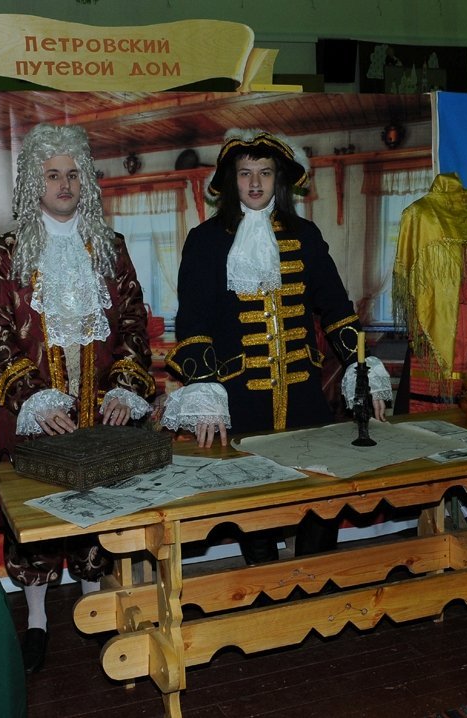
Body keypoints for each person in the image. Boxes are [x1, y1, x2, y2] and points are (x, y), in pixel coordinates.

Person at [163, 128, 392, 565]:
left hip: (304, 395)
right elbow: (193, 322)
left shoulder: (305, 235)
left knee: (323, 498)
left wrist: (362, 365)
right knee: (254, 508)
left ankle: (315, 580)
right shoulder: (206, 239)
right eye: (245, 173)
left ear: (278, 179)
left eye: (265, 173)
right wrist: (204, 386)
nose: (255, 183)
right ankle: (264, 585)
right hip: (240, 397)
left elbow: (336, 308)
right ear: (230, 179)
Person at [0, 123, 155, 673]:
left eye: (73, 174)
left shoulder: (111, 247)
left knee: (96, 513)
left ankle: (92, 607)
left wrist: (126, 385)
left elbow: (133, 321)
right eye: (52, 175)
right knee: (36, 518)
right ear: (35, 183)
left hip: (101, 411)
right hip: (37, 416)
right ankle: (36, 619)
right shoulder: (9, 251)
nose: (64, 184)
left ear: (86, 182)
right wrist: (31, 398)